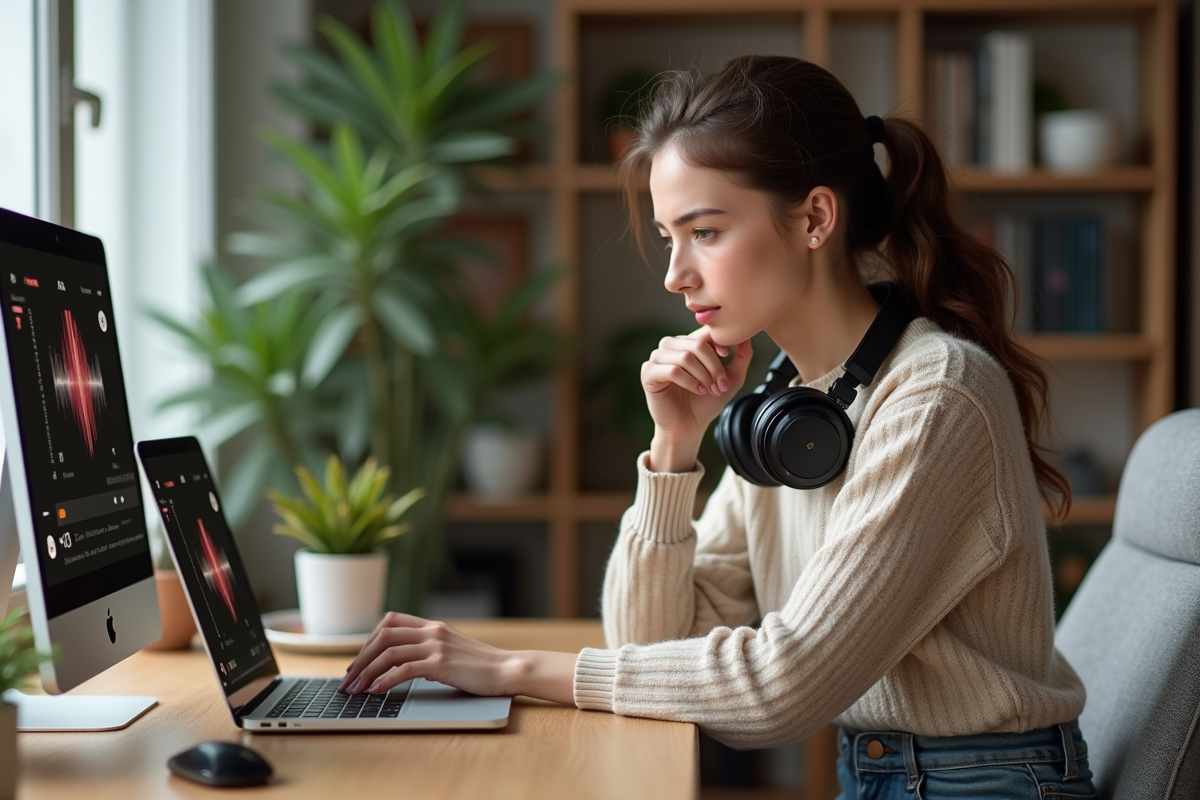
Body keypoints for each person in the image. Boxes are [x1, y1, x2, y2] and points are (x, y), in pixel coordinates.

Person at [340, 54, 1095, 799]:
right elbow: (647, 645)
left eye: (704, 231)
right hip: (883, 776)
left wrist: (511, 670)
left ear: (815, 218)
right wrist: (673, 452)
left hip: (987, 784)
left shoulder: (934, 396)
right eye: (671, 237)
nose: (675, 275)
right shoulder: (791, 408)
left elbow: (782, 686)